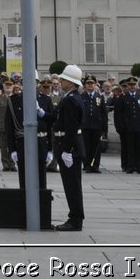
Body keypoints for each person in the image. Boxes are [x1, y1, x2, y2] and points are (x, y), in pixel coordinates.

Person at [53, 64, 87, 232]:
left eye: (64, 79)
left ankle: (75, 219)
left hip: (71, 149)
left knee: (72, 186)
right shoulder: (70, 97)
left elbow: (72, 127)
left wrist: (67, 150)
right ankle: (74, 217)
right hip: (69, 147)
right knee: (71, 185)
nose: (61, 81)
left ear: (71, 82)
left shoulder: (72, 99)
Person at [111, 77, 140, 174]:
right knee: (129, 147)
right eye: (130, 85)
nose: (132, 87)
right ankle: (130, 166)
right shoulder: (122, 97)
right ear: (127, 86)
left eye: (134, 85)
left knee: (139, 147)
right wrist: (120, 127)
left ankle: (139, 166)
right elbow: (118, 114)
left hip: (139, 127)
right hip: (127, 127)